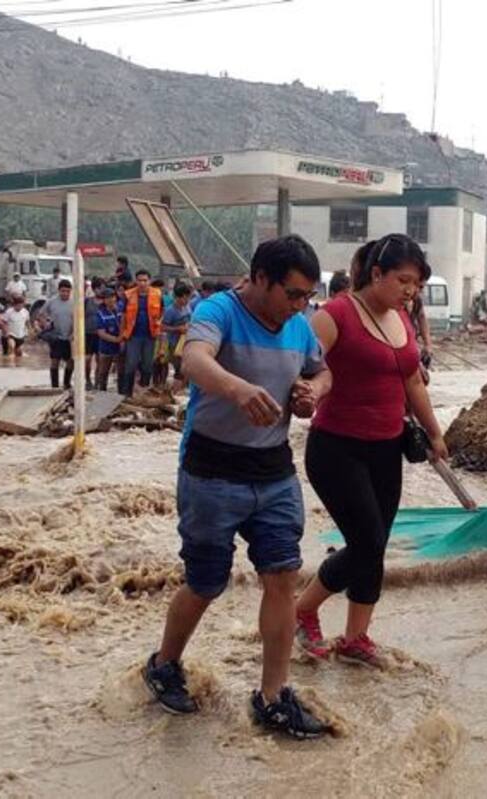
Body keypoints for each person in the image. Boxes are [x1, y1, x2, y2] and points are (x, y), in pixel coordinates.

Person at [143, 235, 329, 739]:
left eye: (307, 296)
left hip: (274, 471)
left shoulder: (298, 326)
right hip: (211, 470)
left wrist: (312, 391)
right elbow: (194, 360)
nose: (300, 306)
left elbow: (322, 370)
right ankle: (164, 664)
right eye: (292, 294)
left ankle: (272, 696)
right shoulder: (219, 311)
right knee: (206, 581)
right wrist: (238, 388)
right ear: (261, 279)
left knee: (282, 575)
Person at [293, 233, 447, 667]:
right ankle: (303, 610)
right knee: (367, 542)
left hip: (386, 449)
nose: (410, 291)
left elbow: (412, 381)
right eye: (403, 280)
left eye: (416, 284)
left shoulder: (402, 319)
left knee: (375, 546)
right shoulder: (336, 314)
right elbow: (300, 365)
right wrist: (303, 394)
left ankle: (355, 638)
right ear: (376, 273)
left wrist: (435, 434)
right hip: (336, 448)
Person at [119, 269, 164, 396]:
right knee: (131, 364)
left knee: (148, 365)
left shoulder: (157, 294)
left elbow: (162, 313)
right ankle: (127, 393)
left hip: (150, 336)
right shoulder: (128, 295)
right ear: (136, 281)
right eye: (139, 280)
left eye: (145, 280)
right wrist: (121, 336)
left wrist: (159, 329)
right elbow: (123, 317)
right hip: (133, 336)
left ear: (149, 281)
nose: (142, 283)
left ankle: (144, 392)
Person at [41, 279, 75, 388]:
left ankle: (66, 383)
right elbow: (41, 314)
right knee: (55, 361)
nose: (65, 293)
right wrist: (45, 324)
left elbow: (79, 319)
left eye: (67, 291)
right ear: (59, 290)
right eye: (63, 291)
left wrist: (74, 333)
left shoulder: (75, 302)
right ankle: (54, 386)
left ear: (71, 291)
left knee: (71, 361)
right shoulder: (52, 301)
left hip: (70, 337)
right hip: (56, 336)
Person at [161, 282, 193, 387]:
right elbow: (163, 327)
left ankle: (183, 389)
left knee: (187, 368)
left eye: (188, 298)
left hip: (186, 342)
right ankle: (176, 390)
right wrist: (177, 329)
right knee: (179, 369)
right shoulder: (170, 311)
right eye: (184, 298)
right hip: (174, 344)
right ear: (177, 297)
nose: (186, 300)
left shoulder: (187, 307)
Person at [93, 288, 122, 392]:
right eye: (108, 298)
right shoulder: (100, 314)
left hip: (120, 348)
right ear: (104, 300)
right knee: (103, 372)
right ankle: (101, 391)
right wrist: (116, 339)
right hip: (106, 348)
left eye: (113, 297)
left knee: (121, 372)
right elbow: (101, 333)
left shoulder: (120, 310)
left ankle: (121, 393)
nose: (111, 300)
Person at [84, 277, 106, 389]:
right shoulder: (87, 301)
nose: (101, 291)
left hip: (101, 335)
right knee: (87, 360)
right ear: (94, 289)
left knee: (100, 360)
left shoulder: (106, 303)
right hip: (88, 334)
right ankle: (88, 381)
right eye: (99, 288)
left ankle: (97, 382)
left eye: (103, 288)